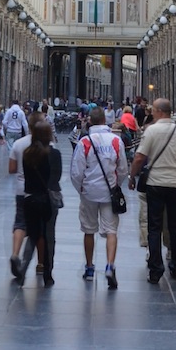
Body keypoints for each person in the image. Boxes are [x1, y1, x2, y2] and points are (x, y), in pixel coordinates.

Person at [129, 97, 176, 284]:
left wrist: (132, 177)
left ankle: (155, 269)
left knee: (154, 227)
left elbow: (140, 158)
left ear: (158, 111)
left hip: (155, 184)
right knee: (175, 226)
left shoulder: (151, 131)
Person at [70, 106, 128, 289]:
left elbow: (76, 171)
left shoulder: (84, 142)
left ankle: (89, 268)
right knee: (111, 230)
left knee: (89, 229)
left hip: (89, 191)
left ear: (90, 121)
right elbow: (123, 168)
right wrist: (116, 184)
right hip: (109, 191)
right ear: (105, 120)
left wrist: (81, 189)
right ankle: (110, 266)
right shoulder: (116, 141)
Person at [19, 121, 62, 287]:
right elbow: (56, 177)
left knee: (33, 235)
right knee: (49, 236)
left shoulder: (27, 153)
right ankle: (47, 273)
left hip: (30, 199)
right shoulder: (54, 154)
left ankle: (23, 268)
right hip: (49, 199)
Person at [8, 111, 42, 277]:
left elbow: (12, 169)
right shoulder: (46, 144)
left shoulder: (19, 144)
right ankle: (41, 263)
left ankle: (15, 254)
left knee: (20, 222)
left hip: (21, 190)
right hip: (40, 192)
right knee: (40, 226)